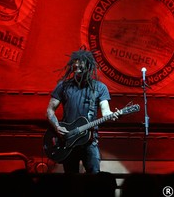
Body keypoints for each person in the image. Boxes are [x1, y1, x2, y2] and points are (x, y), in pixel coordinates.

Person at [46, 46, 120, 174]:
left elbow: (106, 112)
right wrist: (57, 127)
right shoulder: (64, 86)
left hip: (89, 141)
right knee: (71, 182)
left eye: (81, 68)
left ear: (89, 67)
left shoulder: (100, 88)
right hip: (68, 141)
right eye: (75, 68)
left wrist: (113, 115)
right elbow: (50, 110)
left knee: (94, 177)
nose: (77, 71)